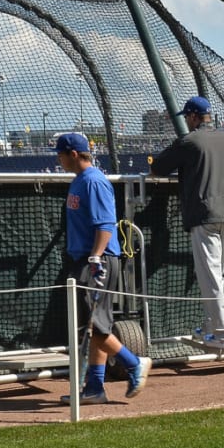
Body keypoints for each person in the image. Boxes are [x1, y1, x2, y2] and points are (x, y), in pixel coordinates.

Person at [55, 132, 150, 404]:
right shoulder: (80, 181)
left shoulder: (94, 181)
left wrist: (96, 257)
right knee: (95, 326)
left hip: (97, 261)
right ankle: (95, 387)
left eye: (61, 154)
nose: (59, 159)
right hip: (86, 259)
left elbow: (106, 225)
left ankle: (134, 363)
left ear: (73, 154)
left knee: (93, 326)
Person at [150, 95, 224, 351]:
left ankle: (222, 335)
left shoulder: (189, 141)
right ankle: (211, 327)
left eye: (187, 117)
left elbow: (157, 168)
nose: (187, 122)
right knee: (217, 277)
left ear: (192, 116)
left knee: (211, 278)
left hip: (205, 216)